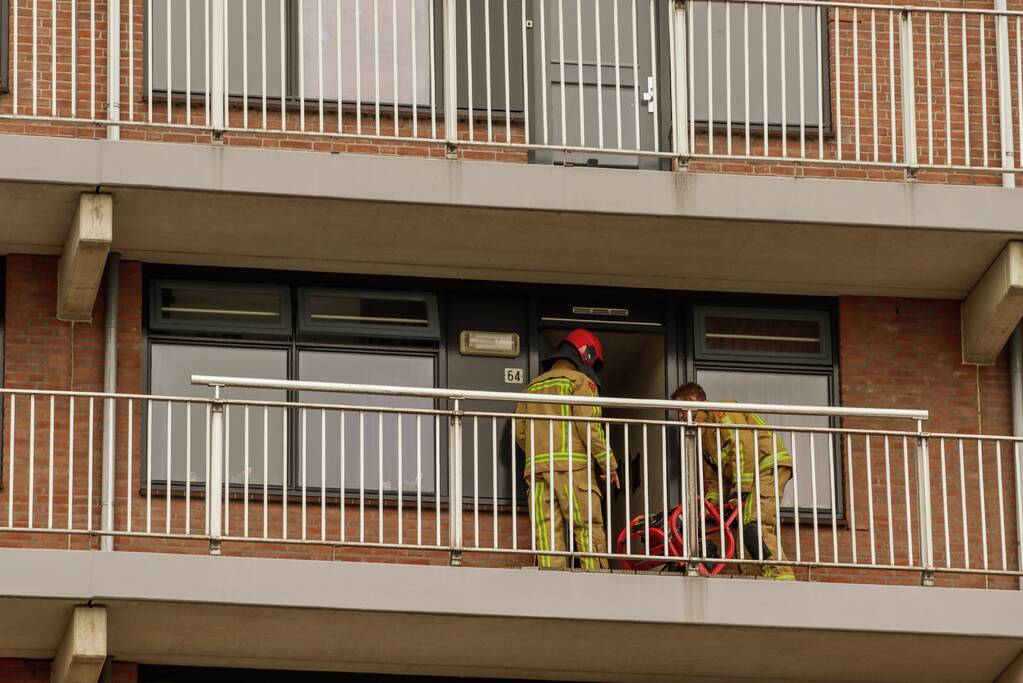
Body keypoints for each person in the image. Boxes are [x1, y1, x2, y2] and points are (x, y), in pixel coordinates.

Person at [515, 329, 620, 570]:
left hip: (537, 470)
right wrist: (609, 465)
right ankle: (596, 579)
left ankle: (553, 582)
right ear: (587, 356)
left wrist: (537, 455)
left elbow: (521, 433)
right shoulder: (581, 382)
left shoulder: (531, 388)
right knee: (587, 525)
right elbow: (590, 428)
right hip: (574, 469)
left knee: (547, 530)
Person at [671, 382, 795, 581]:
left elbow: (743, 447)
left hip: (765, 464)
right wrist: (711, 503)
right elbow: (714, 476)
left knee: (754, 524)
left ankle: (783, 579)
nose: (679, 416)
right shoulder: (704, 435)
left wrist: (740, 491)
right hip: (751, 475)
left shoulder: (722, 412)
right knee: (743, 535)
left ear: (693, 401)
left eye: (680, 409)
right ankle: (757, 581)